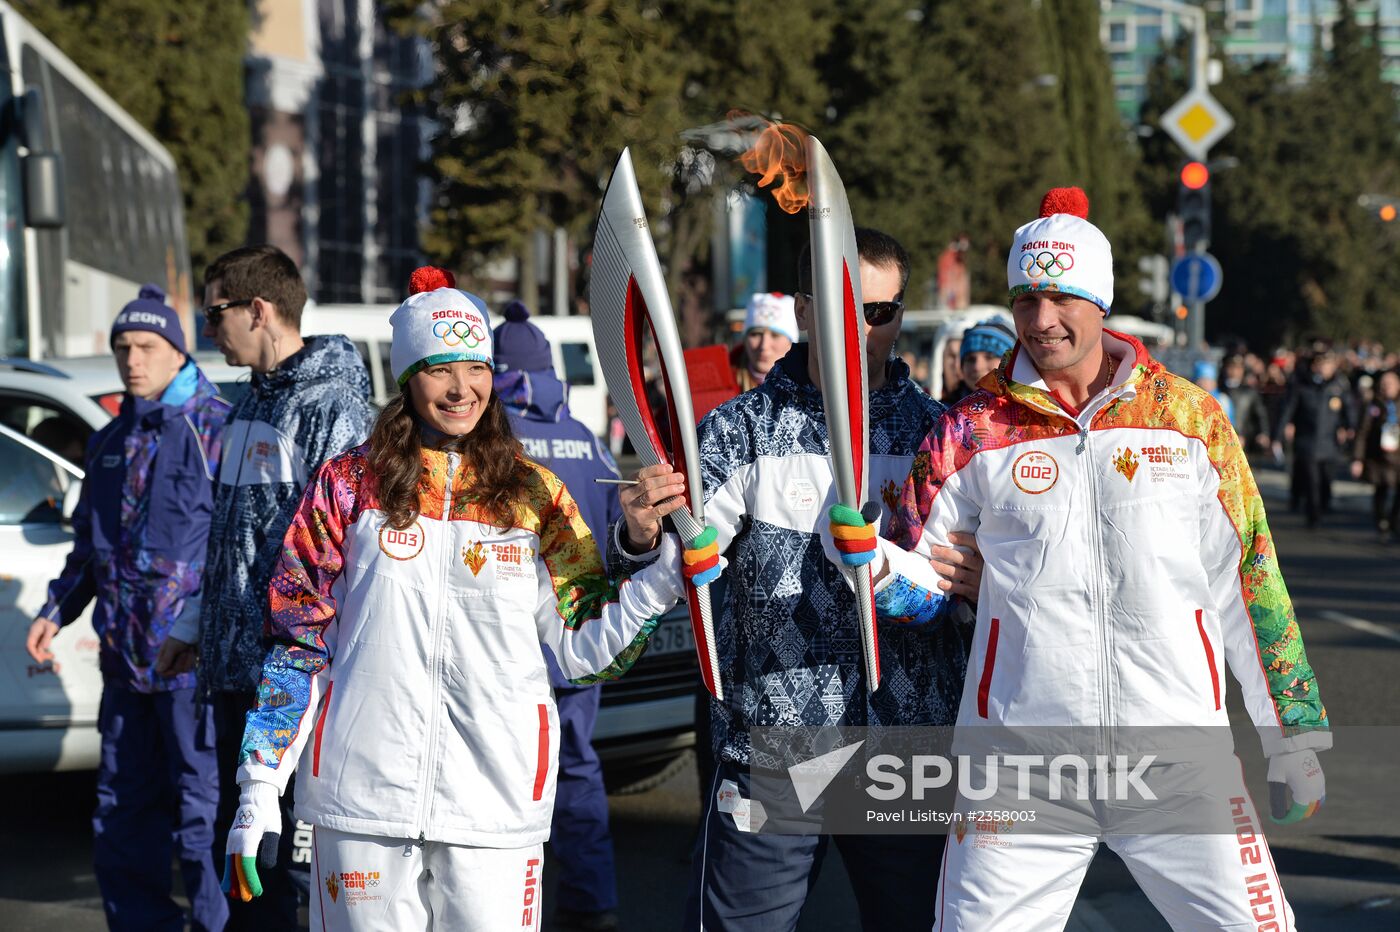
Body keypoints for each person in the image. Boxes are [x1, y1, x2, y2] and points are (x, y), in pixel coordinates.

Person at [851, 187, 1328, 929]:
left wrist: (1291, 734)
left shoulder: (1187, 420)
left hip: (1179, 759)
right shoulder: (971, 431)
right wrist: (871, 566)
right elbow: (926, 578)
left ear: (1098, 300)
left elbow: (1251, 583)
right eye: (1023, 299)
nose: (1040, 321)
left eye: (1060, 296)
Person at [220, 268, 686, 931]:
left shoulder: (535, 494)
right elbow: (297, 642)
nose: (462, 388)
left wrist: (661, 579)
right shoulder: (349, 483)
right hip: (361, 803)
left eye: (476, 367)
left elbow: (586, 653)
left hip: (494, 806)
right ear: (410, 376)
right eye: (441, 368)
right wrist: (260, 787)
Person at [612, 229, 984, 932]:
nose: (864, 330)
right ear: (805, 312)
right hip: (778, 742)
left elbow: (973, 586)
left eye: (881, 312)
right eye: (845, 310)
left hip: (905, 742)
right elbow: (670, 573)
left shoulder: (938, 436)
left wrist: (976, 582)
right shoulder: (738, 433)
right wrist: (637, 536)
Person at [154, 244, 375, 927]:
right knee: (246, 872)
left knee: (289, 883)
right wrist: (194, 628)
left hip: (292, 686)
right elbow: (230, 538)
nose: (206, 330)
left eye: (215, 312)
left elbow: (345, 550)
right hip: (231, 673)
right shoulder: (248, 402)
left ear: (259, 309)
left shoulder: (332, 405)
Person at [27, 285, 231, 932]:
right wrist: (55, 610)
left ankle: (215, 925)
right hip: (124, 659)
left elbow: (241, 546)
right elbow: (91, 546)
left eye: (146, 347)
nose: (132, 360)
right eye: (122, 348)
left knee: (202, 811)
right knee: (121, 810)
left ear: (177, 351)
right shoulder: (112, 439)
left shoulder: (217, 430)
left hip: (189, 664)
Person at [493, 298, 624, 932]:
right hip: (578, 639)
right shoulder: (583, 439)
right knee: (575, 769)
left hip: (508, 645)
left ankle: (513, 910)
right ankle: (592, 903)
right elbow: (620, 525)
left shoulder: (490, 443)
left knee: (503, 783)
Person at [1272, 345, 1354, 528]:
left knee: (1326, 478)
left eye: (1328, 364)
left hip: (1329, 441)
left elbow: (1348, 409)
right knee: (1312, 479)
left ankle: (1323, 506)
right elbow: (1288, 411)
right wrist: (1278, 436)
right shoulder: (1302, 386)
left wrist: (1348, 427)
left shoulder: (1338, 386)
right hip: (1307, 439)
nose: (1325, 368)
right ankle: (1313, 514)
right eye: (1321, 364)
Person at [1351, 368, 1400, 541]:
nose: (1387, 387)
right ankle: (1381, 521)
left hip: (1397, 457)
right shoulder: (1373, 405)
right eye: (1384, 384)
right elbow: (1362, 432)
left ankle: (1394, 521)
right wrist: (1357, 459)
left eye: (1391, 384)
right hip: (1378, 457)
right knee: (1382, 489)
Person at [731, 292, 798, 392]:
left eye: (775, 335)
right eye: (756, 334)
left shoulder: (810, 385)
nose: (764, 346)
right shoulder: (721, 382)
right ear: (745, 339)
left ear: (791, 342)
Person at [947, 317, 1015, 403]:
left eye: (989, 357)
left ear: (1011, 363)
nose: (977, 367)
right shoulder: (943, 412)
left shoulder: (1030, 410)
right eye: (970, 359)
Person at [1220, 355, 1270, 453]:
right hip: (1219, 439)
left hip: (1242, 439)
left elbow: (1260, 414)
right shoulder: (1219, 390)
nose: (1234, 371)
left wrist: (1263, 433)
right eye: (1231, 367)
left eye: (1238, 368)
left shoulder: (1249, 392)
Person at [1192, 359, 1234, 425]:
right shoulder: (1190, 398)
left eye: (1207, 380)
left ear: (1214, 382)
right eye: (1201, 380)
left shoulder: (1223, 399)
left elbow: (1229, 425)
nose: (1204, 383)